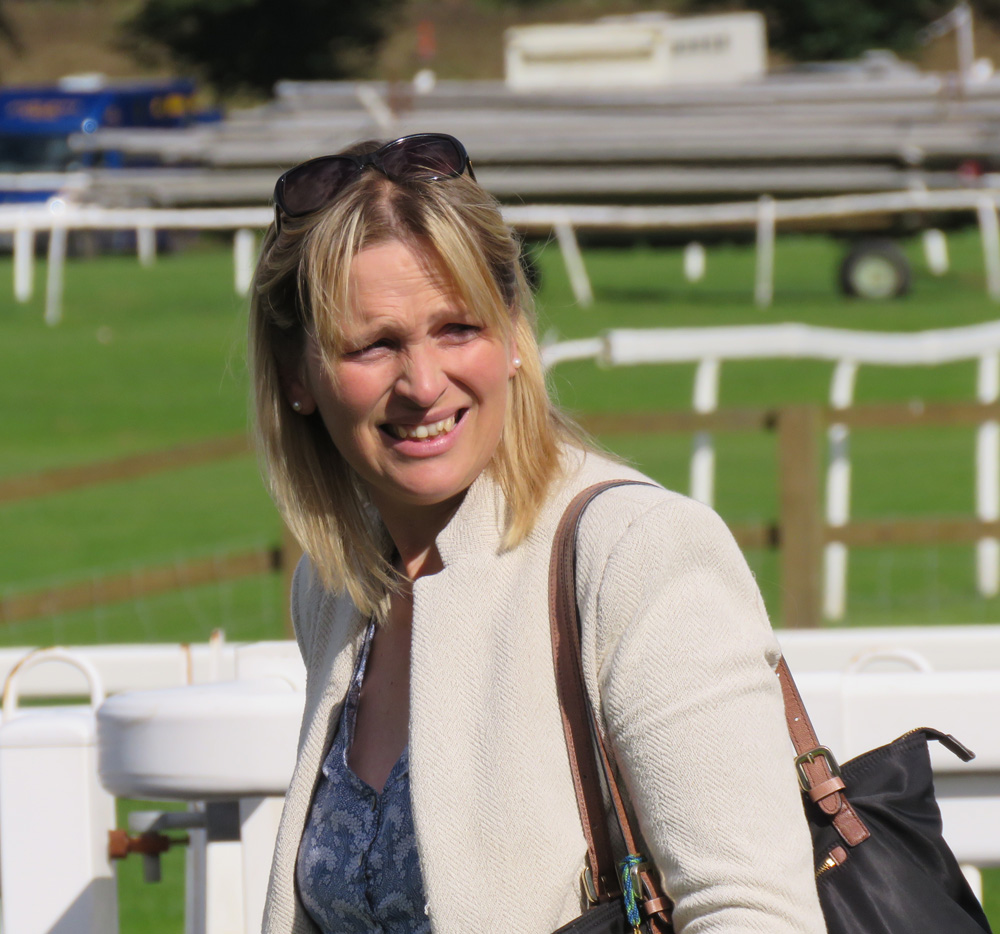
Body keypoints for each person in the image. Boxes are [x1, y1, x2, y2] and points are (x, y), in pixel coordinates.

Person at [249, 133, 826, 934]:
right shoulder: (333, 586)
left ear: (514, 334)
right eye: (374, 344)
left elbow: (755, 915)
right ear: (296, 374)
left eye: (457, 329)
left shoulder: (637, 554)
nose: (422, 384)